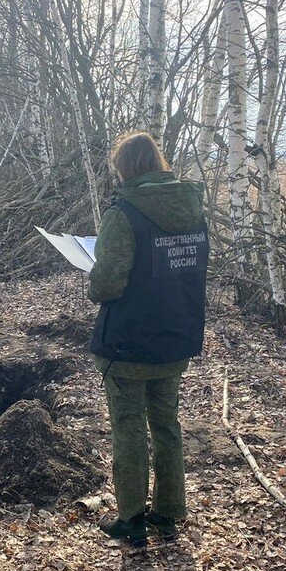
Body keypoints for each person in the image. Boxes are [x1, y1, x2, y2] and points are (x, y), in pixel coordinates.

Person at [88, 131, 209, 547]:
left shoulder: (124, 214)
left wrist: (93, 272)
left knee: (128, 428)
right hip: (176, 336)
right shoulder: (193, 210)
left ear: (124, 169)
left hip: (129, 343)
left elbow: (106, 285)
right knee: (167, 425)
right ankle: (169, 514)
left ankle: (131, 519)